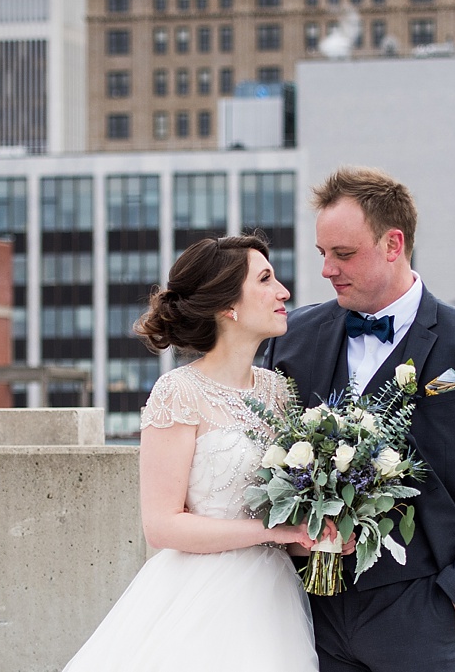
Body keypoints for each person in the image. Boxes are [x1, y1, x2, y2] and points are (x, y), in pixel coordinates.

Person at [266, 167, 455, 671]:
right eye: (322, 254)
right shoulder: (290, 339)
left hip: (424, 609)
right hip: (308, 612)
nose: (327, 270)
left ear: (393, 244)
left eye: (343, 254)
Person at [60, 234, 321, 672]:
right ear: (227, 306)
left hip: (274, 600)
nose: (283, 292)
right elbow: (161, 526)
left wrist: (319, 531)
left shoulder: (279, 391)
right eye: (266, 279)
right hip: (202, 594)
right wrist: (276, 532)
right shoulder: (178, 392)